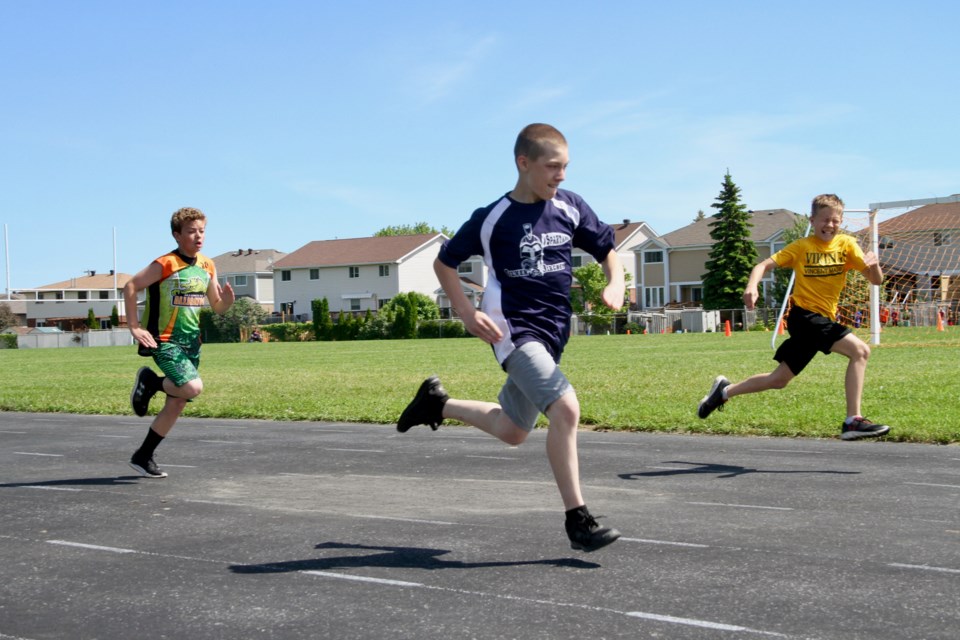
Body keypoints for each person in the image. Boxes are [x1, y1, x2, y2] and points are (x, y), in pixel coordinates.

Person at [396, 123, 625, 552]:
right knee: (566, 408)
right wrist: (466, 312)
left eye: (566, 167)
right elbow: (444, 264)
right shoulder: (492, 218)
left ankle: (436, 403)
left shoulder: (570, 207)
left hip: (553, 334)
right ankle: (579, 520)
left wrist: (616, 283)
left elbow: (608, 251)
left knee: (512, 430)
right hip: (514, 332)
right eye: (552, 167)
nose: (561, 176)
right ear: (524, 164)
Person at [697, 194, 890, 441]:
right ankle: (853, 420)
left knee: (778, 380)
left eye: (835, 221)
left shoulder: (847, 245)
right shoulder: (802, 247)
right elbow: (762, 266)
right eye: (824, 220)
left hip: (821, 319)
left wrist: (873, 264)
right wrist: (752, 286)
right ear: (812, 220)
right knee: (860, 351)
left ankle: (724, 392)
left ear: (841, 221)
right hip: (804, 317)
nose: (829, 225)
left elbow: (876, 280)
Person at [124, 207, 235, 478]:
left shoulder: (208, 265)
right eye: (191, 231)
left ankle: (143, 455)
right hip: (163, 340)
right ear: (177, 235)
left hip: (192, 343)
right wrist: (134, 327)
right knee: (192, 387)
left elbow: (217, 306)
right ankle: (151, 381)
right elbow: (130, 286)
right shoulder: (166, 264)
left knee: (177, 402)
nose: (198, 236)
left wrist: (229, 301)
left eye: (202, 231)